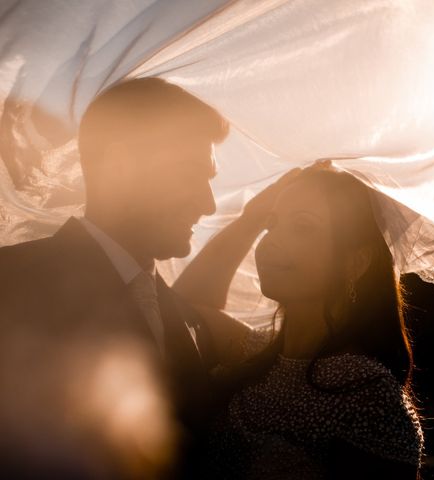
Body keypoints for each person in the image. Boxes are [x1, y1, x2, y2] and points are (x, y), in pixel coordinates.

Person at [0, 77, 286, 478]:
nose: (206, 203)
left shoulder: (184, 319)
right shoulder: (11, 283)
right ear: (120, 167)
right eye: (190, 174)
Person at [175, 166, 425, 479]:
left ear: (355, 263)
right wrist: (250, 219)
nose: (272, 241)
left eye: (302, 227)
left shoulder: (367, 392)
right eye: (272, 225)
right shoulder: (249, 352)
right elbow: (183, 311)